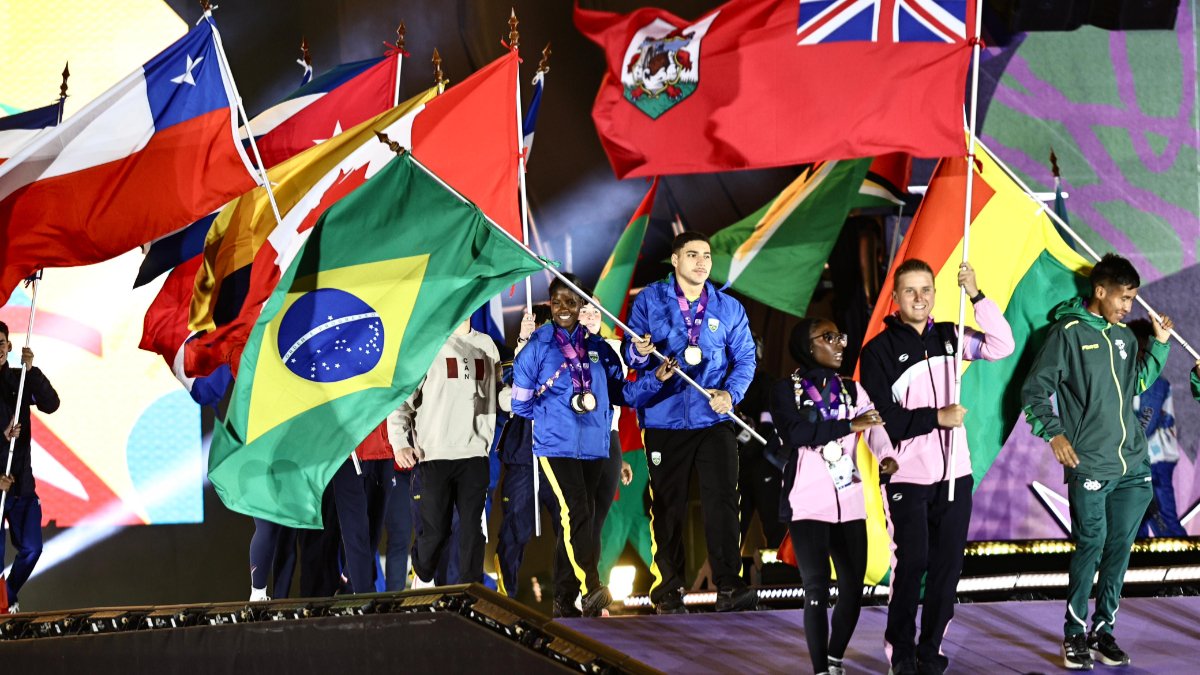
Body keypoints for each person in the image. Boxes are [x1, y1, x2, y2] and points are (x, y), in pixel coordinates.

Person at [859, 259, 1013, 675]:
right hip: (908, 475)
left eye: (926, 289)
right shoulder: (878, 352)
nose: (920, 298)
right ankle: (902, 654)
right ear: (895, 297)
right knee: (912, 564)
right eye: (910, 291)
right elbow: (888, 419)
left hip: (953, 475)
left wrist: (977, 295)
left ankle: (930, 652)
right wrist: (937, 417)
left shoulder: (949, 334)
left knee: (947, 569)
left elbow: (1002, 345)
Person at [1021, 253, 1171, 670]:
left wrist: (1158, 344)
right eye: (1123, 298)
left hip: (1133, 468)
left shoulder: (1124, 338)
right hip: (1090, 465)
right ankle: (1073, 635)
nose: (1127, 307)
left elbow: (1137, 382)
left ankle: (1103, 631)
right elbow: (1034, 390)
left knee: (1119, 550)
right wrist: (1054, 432)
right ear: (1100, 291)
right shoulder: (1066, 333)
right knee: (1091, 545)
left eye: (1132, 299)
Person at [512, 275, 671, 617]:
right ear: (550, 305)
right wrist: (555, 415)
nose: (566, 309)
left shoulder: (601, 346)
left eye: (574, 302)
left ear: (587, 307)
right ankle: (591, 586)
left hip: (600, 442)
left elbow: (622, 395)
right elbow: (520, 403)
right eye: (558, 302)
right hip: (557, 444)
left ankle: (575, 595)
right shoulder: (539, 345)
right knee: (576, 512)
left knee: (588, 520)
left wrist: (654, 380)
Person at [622, 231, 758, 614]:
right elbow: (632, 358)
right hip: (664, 419)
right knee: (667, 505)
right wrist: (638, 350)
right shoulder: (650, 299)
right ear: (675, 260)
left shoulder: (728, 308)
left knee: (723, 501)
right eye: (693, 255)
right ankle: (668, 587)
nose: (702, 262)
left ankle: (730, 584)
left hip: (713, 418)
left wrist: (731, 394)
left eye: (707, 256)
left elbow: (746, 359)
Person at [389, 320, 501, 586]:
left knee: (472, 531)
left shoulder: (486, 345)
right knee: (436, 532)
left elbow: (498, 395)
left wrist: (524, 397)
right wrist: (399, 441)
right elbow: (402, 401)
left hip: (474, 452)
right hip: (434, 454)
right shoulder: (428, 345)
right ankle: (423, 573)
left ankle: (471, 592)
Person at [0, 323, 60, 614]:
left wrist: (32, 371)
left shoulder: (20, 380)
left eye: (1, 343)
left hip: (22, 484)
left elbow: (51, 404)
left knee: (33, 548)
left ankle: (7, 596)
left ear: (8, 347)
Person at [1127, 319, 1187, 538]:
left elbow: (1147, 423)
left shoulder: (1156, 383)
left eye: (1141, 348)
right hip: (1134, 460)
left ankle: (1182, 566)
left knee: (1164, 521)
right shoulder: (1126, 378)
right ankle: (1138, 568)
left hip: (1155, 462)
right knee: (1134, 523)